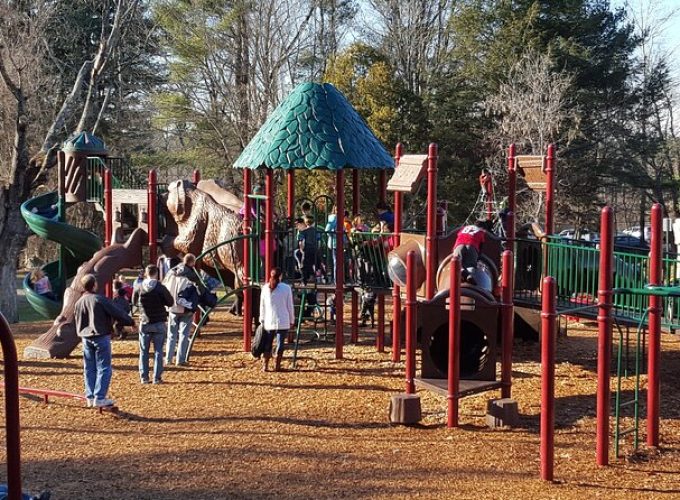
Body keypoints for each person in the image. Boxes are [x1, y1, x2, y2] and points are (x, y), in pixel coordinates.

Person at [74, 274, 134, 407]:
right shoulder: (99, 299)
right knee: (104, 367)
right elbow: (117, 312)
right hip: (100, 335)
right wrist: (131, 322)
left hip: (85, 337)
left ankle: (90, 396)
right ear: (94, 285)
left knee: (89, 367)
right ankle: (100, 397)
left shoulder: (79, 302)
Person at [133, 264, 174, 384]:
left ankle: (144, 377)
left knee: (144, 351)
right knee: (158, 351)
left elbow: (134, 302)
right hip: (159, 322)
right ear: (156, 273)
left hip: (145, 322)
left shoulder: (139, 287)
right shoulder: (160, 287)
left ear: (146, 273)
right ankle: (157, 377)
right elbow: (170, 302)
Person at [163, 254, 202, 366]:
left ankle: (168, 359)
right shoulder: (192, 275)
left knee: (171, 334)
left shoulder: (172, 272)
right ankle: (180, 360)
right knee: (184, 335)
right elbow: (199, 290)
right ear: (192, 263)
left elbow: (165, 285)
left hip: (172, 307)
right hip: (186, 309)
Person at [259, 267, 295, 372]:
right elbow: (290, 306)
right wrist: (292, 319)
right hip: (283, 320)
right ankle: (277, 365)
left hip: (269, 320)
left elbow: (262, 306)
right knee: (280, 343)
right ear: (281, 276)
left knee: (268, 342)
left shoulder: (265, 288)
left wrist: (261, 318)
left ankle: (265, 365)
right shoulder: (286, 288)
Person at [453, 220, 492, 285]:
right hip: (472, 246)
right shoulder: (481, 231)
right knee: (470, 265)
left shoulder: (464, 228)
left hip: (459, 244)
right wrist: (478, 256)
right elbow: (481, 245)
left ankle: (462, 272)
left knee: (456, 262)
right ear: (483, 227)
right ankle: (470, 276)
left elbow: (458, 235)